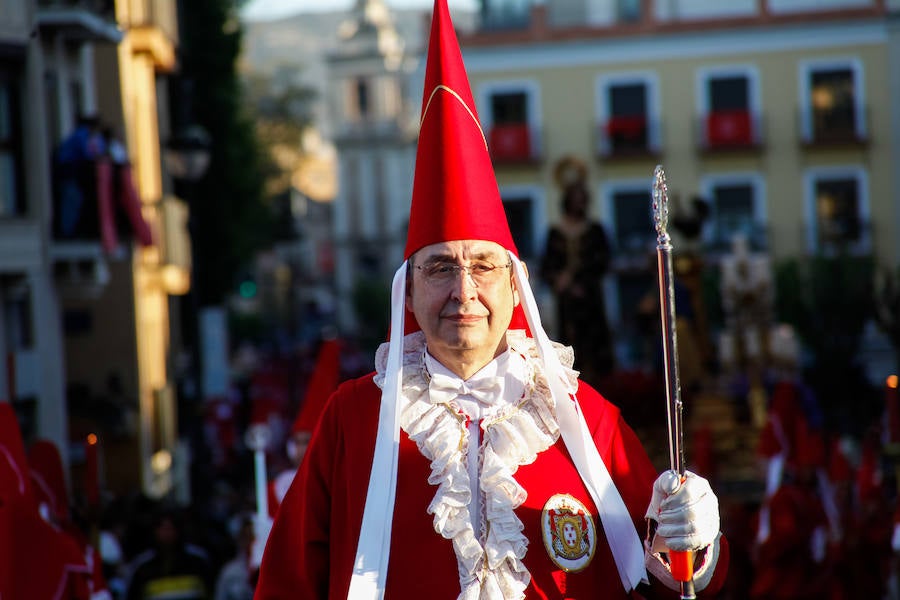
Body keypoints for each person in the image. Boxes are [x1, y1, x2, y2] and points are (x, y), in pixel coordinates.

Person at [255, 1, 728, 598]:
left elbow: (668, 575)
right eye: (440, 268)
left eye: (483, 265)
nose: (464, 290)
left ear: (515, 284)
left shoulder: (584, 416)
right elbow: (287, 583)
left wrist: (695, 540)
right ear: (408, 288)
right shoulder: (352, 421)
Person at [540, 178, 615, 387]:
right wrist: (559, 280)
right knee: (570, 343)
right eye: (575, 200)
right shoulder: (555, 233)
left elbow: (602, 261)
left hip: (591, 298)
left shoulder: (595, 230)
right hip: (566, 302)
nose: (580, 204)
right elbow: (547, 266)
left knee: (595, 345)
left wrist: (580, 280)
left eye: (583, 200)